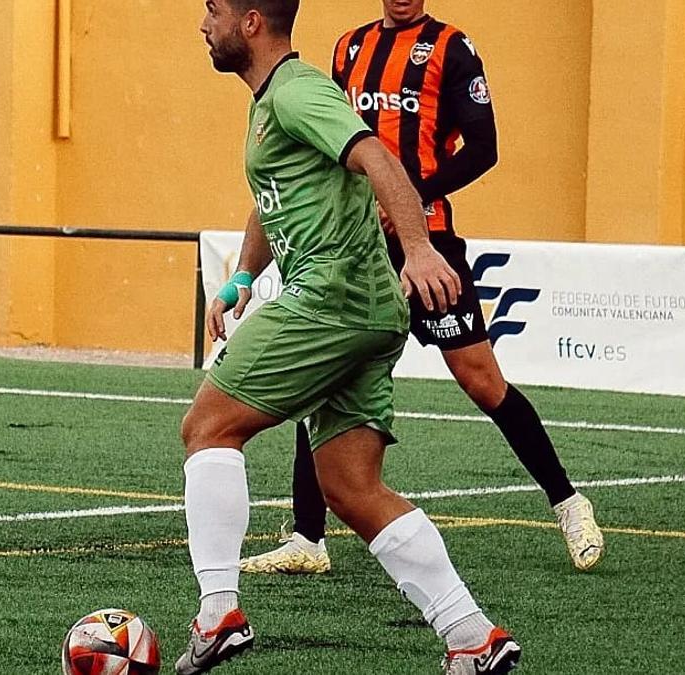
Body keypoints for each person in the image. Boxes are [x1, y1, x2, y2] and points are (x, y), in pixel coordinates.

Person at [177, 1, 522, 673]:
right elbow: (269, 200)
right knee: (351, 486)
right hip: (368, 311)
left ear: (251, 22)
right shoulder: (276, 100)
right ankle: (471, 635)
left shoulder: (298, 90)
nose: (203, 23)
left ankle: (218, 613)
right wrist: (241, 280)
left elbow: (376, 157)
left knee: (207, 426)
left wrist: (420, 250)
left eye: (214, 10)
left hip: (330, 296)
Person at [240, 0, 605, 577]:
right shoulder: (349, 49)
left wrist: (410, 194)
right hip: (355, 251)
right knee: (323, 380)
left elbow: (483, 149)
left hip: (426, 245)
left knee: (481, 380)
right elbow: (323, 146)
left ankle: (568, 502)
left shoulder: (451, 47)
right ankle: (308, 539)